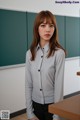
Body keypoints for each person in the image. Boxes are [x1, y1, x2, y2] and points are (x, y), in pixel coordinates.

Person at [25, 10, 66, 120]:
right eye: (43, 25)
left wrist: (57, 115)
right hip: (35, 106)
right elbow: (28, 85)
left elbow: (59, 88)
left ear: (54, 28)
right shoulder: (29, 54)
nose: (47, 29)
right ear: (37, 28)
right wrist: (29, 112)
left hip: (52, 106)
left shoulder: (59, 53)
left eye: (51, 25)